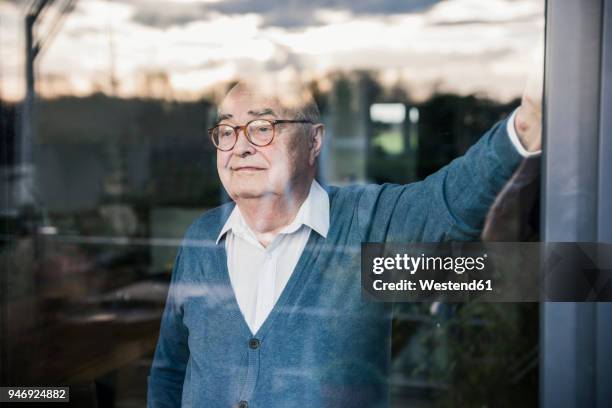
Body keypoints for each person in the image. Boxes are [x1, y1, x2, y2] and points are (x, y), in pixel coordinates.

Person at [147, 78, 542, 407]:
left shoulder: (367, 225)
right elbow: (170, 369)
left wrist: (522, 129)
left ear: (314, 142)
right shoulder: (201, 238)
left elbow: (448, 203)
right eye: (227, 130)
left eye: (263, 127)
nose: (241, 146)